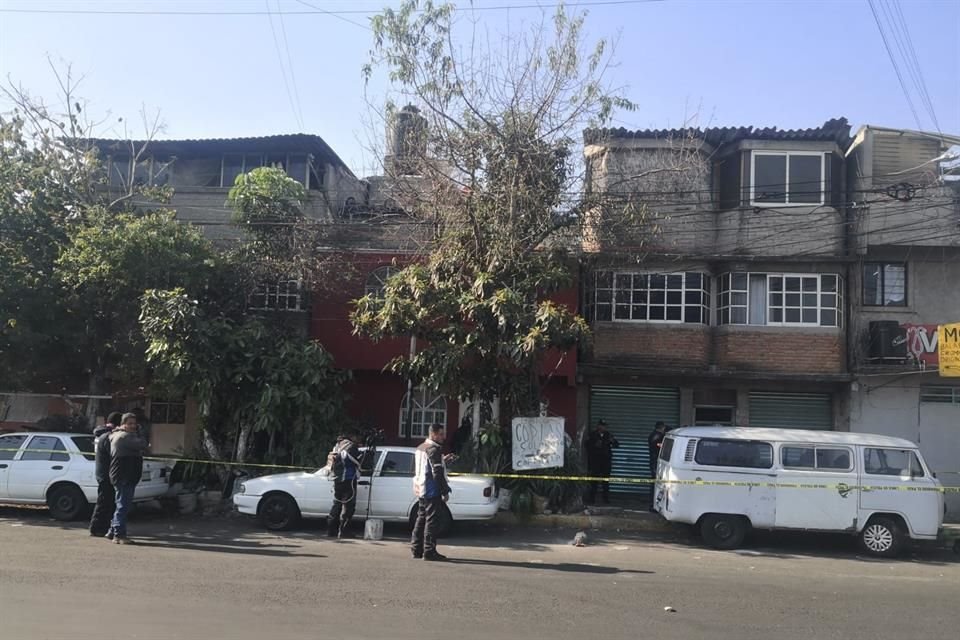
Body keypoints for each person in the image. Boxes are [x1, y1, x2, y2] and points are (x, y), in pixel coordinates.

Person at [411, 423, 452, 561]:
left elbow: (426, 465)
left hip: (421, 488)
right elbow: (437, 473)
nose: (443, 437)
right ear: (433, 434)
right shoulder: (434, 449)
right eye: (440, 434)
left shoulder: (421, 447)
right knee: (432, 521)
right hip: (431, 489)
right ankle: (429, 551)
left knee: (421, 518)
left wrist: (443, 460)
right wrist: (444, 491)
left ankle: (416, 549)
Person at [107, 413, 147, 544]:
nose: (133, 426)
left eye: (134, 424)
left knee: (120, 504)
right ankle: (119, 535)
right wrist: (141, 433)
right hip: (124, 476)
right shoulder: (124, 437)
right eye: (129, 423)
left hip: (123, 475)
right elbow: (143, 444)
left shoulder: (118, 435)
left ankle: (112, 531)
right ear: (123, 424)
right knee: (123, 506)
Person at [89, 412, 122, 537]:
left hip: (102, 470)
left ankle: (102, 526)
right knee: (104, 501)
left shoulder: (100, 433)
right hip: (106, 471)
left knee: (105, 500)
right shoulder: (108, 436)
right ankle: (97, 527)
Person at [327, 433, 363, 538]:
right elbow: (357, 461)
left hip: (337, 479)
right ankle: (344, 531)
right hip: (348, 479)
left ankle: (331, 530)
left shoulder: (337, 446)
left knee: (336, 504)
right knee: (349, 506)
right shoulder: (350, 446)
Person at [585, 419, 619, 505]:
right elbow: (586, 445)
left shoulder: (608, 435)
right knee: (594, 481)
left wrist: (613, 441)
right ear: (598, 426)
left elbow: (617, 444)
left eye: (605, 426)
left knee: (605, 481)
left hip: (606, 461)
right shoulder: (592, 435)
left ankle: (606, 499)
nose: (603, 427)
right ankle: (592, 499)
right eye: (602, 425)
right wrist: (594, 445)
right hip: (595, 461)